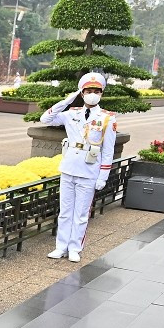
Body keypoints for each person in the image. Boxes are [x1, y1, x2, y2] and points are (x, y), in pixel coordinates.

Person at [41, 72, 117, 263]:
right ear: (82, 93)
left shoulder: (107, 118)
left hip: (89, 171)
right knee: (65, 211)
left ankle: (75, 248)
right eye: (88, 91)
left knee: (81, 214)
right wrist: (66, 101)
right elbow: (45, 119)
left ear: (101, 94)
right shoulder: (71, 113)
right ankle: (60, 246)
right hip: (68, 168)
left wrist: (103, 177)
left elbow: (108, 151)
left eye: (96, 91)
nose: (92, 94)